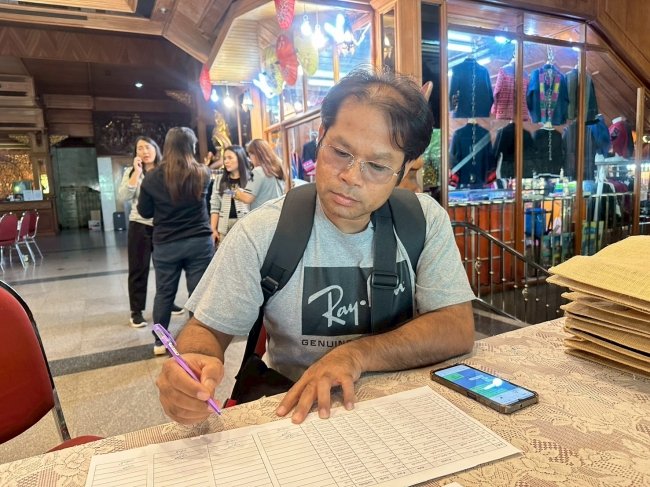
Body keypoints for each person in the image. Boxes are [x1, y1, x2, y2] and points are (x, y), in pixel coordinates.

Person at [156, 69, 475, 425]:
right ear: (321, 137)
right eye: (340, 152)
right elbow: (207, 331)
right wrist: (192, 366)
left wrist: (355, 355)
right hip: (300, 415)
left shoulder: (423, 221)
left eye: (377, 166)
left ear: (403, 171)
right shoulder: (262, 232)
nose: (351, 177)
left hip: (405, 413)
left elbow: (456, 326)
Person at [137, 127, 215, 355]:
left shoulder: (152, 177)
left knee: (164, 293)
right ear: (191, 147)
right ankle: (198, 341)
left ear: (167, 147)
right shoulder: (203, 173)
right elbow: (206, 203)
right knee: (198, 293)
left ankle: (160, 342)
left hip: (166, 244)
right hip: (199, 242)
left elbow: (144, 211)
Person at [117, 136, 183, 327]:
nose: (145, 152)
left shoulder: (166, 171)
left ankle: (167, 302)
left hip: (163, 226)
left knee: (167, 268)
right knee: (138, 269)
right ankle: (136, 311)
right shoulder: (131, 172)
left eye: (148, 147)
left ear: (156, 149)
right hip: (139, 226)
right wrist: (137, 173)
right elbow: (123, 196)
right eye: (140, 148)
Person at [209, 145, 251, 243]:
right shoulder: (219, 179)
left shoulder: (251, 178)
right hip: (224, 229)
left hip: (247, 228)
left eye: (230, 158)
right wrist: (213, 229)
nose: (226, 161)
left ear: (240, 158)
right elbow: (215, 206)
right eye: (225, 158)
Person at [234, 139, 290, 210]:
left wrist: (235, 192)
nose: (250, 159)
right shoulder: (279, 167)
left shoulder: (257, 171)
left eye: (250, 155)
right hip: (278, 211)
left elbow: (247, 198)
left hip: (262, 214)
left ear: (256, 155)